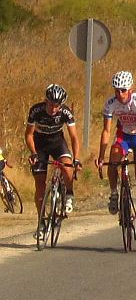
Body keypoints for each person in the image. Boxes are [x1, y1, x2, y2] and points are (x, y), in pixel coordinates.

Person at [95, 71, 136, 239]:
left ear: (130, 89)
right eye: (116, 90)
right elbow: (106, 131)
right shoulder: (111, 104)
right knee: (113, 159)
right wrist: (101, 157)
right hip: (124, 137)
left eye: (123, 90)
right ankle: (114, 194)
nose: (119, 94)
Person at [25, 84, 82, 222]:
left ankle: (69, 194)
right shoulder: (36, 111)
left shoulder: (66, 113)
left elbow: (74, 137)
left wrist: (77, 159)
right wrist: (33, 153)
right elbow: (28, 135)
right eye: (51, 104)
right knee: (40, 184)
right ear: (46, 101)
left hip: (57, 142)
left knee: (67, 165)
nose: (53, 109)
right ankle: (41, 220)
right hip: (40, 144)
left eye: (57, 106)